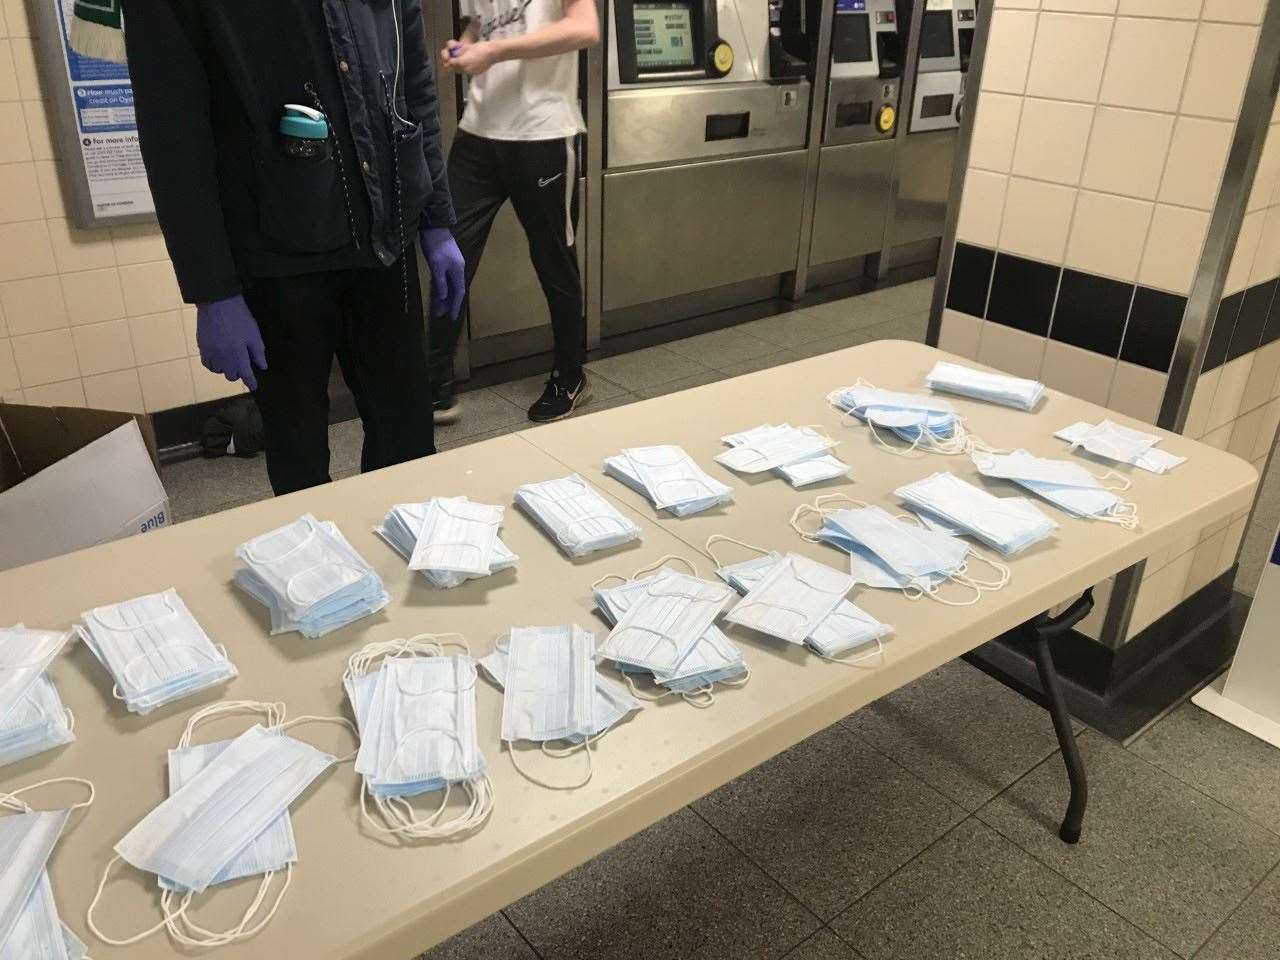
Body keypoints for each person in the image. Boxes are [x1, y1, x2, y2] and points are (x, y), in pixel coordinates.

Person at [122, 0, 466, 495]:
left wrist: (436, 217)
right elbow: (172, 134)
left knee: (408, 442)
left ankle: (410, 559)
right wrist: (212, 291)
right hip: (274, 255)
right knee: (298, 457)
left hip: (385, 240)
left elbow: (414, 86)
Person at [432, 0, 600, 424]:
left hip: (543, 131)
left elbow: (585, 28)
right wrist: (465, 46)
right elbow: (479, 23)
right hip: (478, 131)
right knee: (450, 252)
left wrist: (494, 53)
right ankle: (434, 382)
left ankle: (570, 375)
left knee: (553, 257)